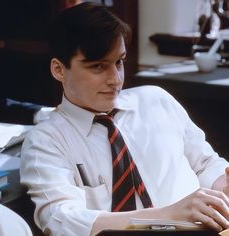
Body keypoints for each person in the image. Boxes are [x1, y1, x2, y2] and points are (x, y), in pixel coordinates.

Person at [20, 2, 229, 236]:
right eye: (98, 66)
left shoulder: (156, 100)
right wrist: (171, 213)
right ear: (59, 69)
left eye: (119, 62)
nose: (115, 79)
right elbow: (61, 220)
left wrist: (223, 185)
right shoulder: (46, 141)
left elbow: (206, 164)